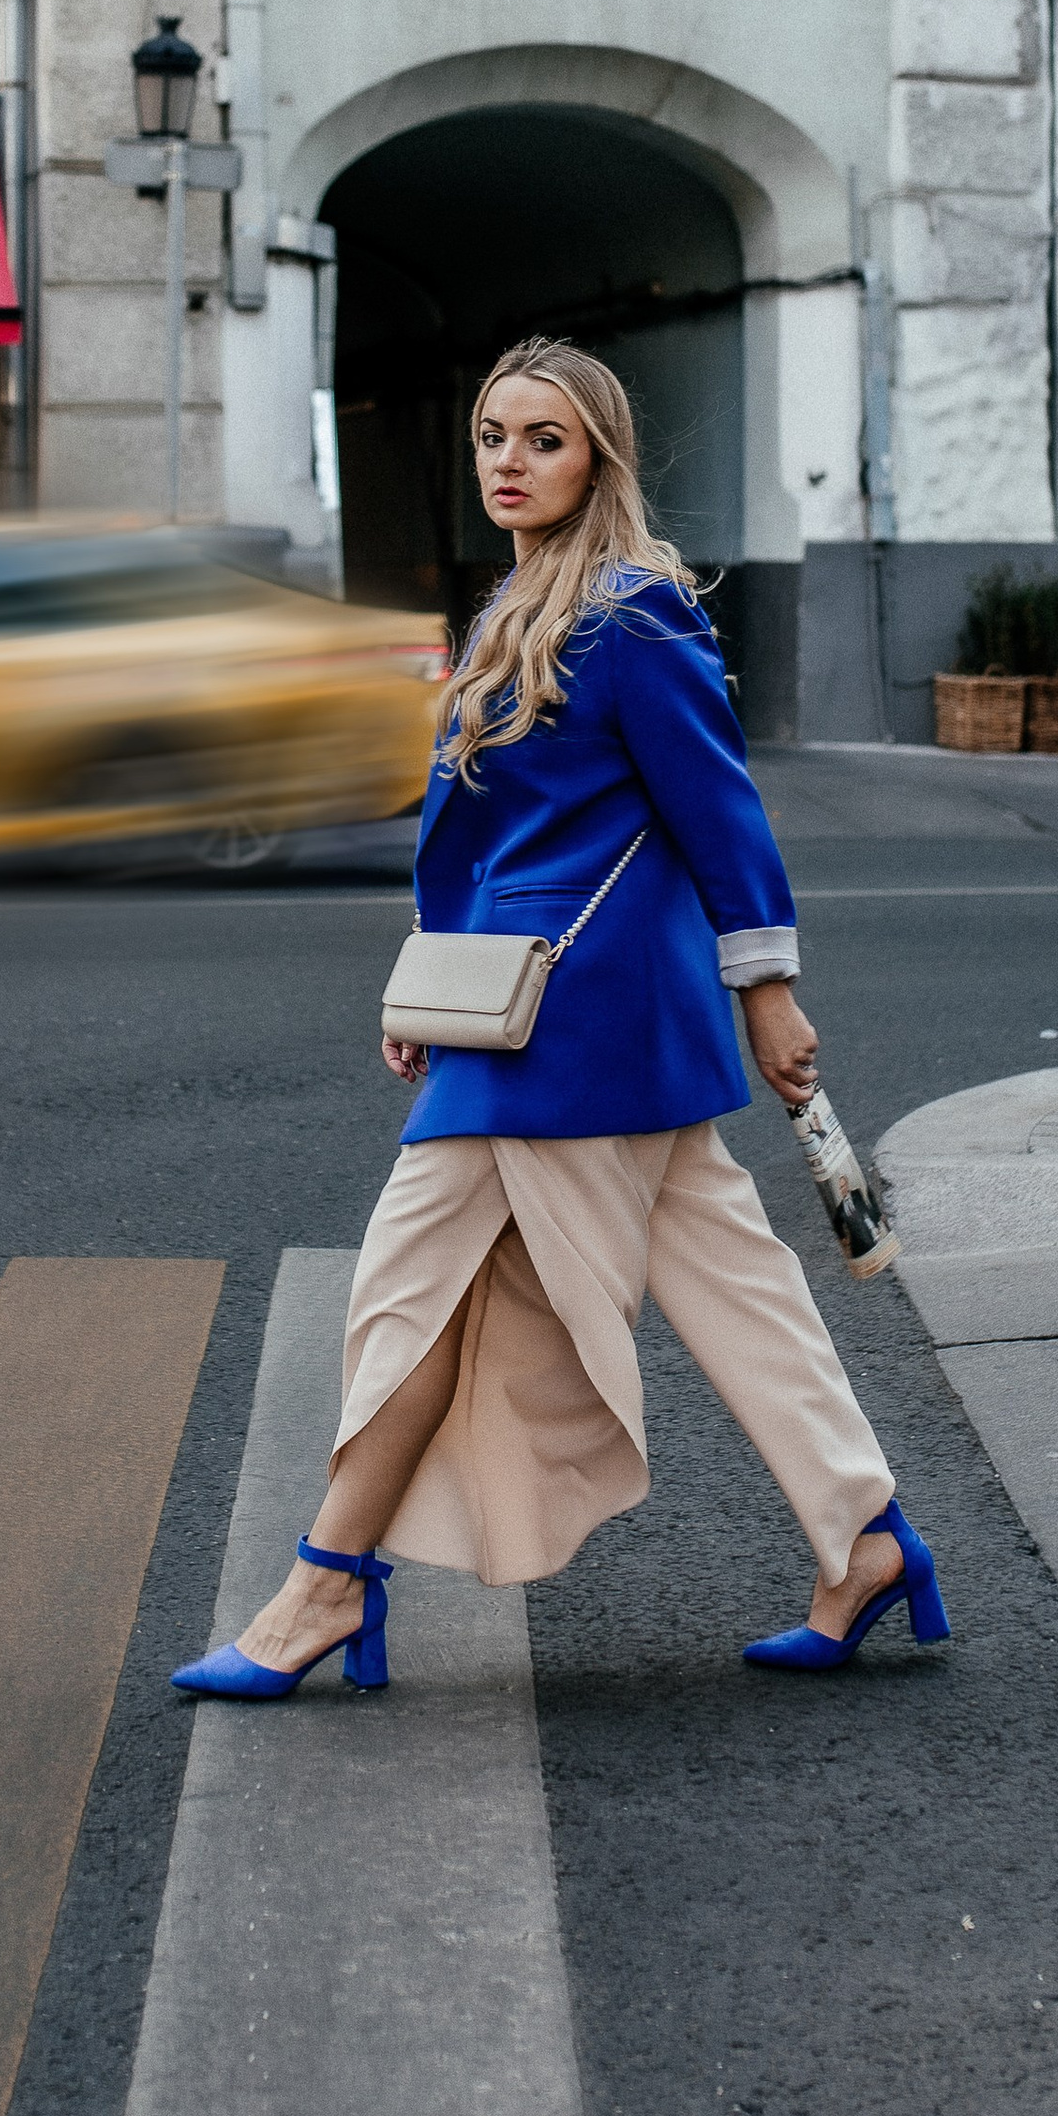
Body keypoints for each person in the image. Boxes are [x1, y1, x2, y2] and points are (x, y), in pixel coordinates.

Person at [174, 334, 947, 1701]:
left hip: (575, 1025)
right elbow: (479, 841)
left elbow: (722, 815)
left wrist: (767, 990)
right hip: (539, 1014)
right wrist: (433, 981)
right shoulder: (513, 606)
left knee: (404, 1298)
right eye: (491, 437)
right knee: (740, 1292)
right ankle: (866, 1541)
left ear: (599, 456)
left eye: (544, 438)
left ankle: (322, 1591)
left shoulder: (631, 611)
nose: (511, 463)